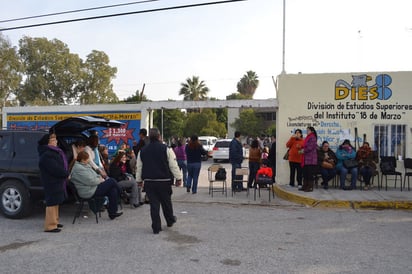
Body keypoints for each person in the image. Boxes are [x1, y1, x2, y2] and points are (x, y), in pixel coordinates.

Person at [135, 128, 182, 234]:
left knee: (154, 205)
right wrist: (178, 178)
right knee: (166, 202)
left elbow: (139, 167)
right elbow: (173, 165)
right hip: (164, 181)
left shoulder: (142, 151)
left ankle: (156, 227)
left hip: (149, 182)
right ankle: (170, 220)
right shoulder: (166, 149)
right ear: (159, 136)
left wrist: (139, 180)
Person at [70, 151, 123, 220]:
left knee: (113, 190)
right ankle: (122, 193)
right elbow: (90, 181)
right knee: (112, 181)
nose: (89, 160)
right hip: (88, 191)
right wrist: (100, 180)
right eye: (87, 159)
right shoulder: (78, 169)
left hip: (92, 187)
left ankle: (112, 213)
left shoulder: (85, 165)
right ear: (82, 160)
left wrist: (99, 178)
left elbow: (96, 176)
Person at [38, 133, 69, 233]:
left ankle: (55, 221)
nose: (56, 141)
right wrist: (65, 174)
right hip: (51, 181)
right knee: (51, 202)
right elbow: (55, 169)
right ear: (47, 142)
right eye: (53, 140)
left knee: (56, 201)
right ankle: (50, 226)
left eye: (55, 139)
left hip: (57, 181)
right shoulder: (47, 154)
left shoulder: (54, 152)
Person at [299, 126, 318, 192]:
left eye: (308, 130)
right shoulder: (308, 137)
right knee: (305, 173)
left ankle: (310, 187)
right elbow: (305, 145)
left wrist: (303, 150)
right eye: (306, 130)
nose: (307, 131)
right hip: (306, 158)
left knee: (309, 174)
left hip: (311, 159)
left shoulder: (312, 137)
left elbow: (310, 147)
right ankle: (305, 186)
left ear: (312, 131)